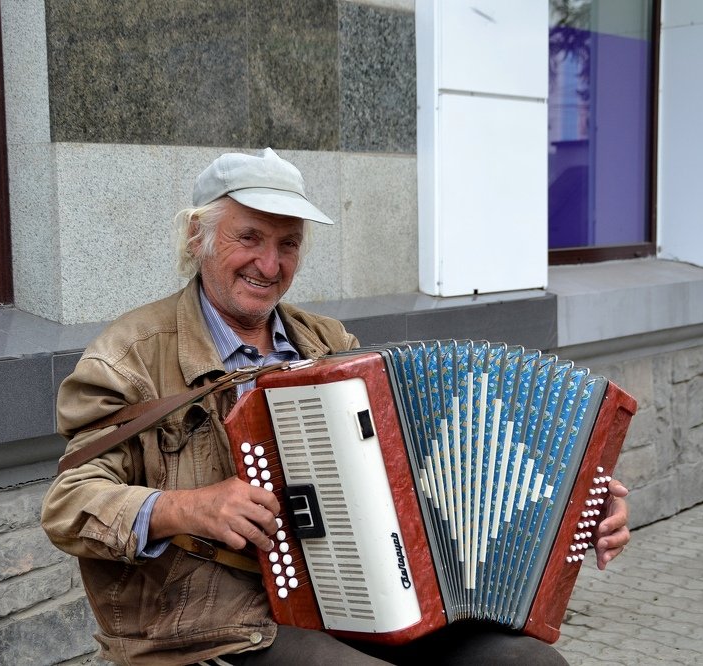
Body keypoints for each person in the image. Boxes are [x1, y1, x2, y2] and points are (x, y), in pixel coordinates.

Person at [41, 148, 631, 666]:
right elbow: (68, 503)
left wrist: (568, 505)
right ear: (199, 238)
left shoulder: (330, 346)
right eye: (249, 238)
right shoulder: (127, 358)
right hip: (207, 625)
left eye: (288, 244)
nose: (269, 267)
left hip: (350, 600)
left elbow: (425, 462)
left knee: (528, 663)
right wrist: (181, 508)